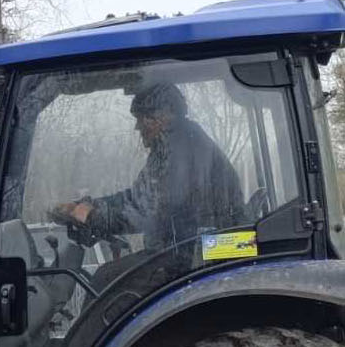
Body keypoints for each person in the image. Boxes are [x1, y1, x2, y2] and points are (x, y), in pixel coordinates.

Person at [52, 81, 244, 254]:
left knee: (108, 276)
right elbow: (138, 197)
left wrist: (94, 216)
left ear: (163, 116)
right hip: (187, 248)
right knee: (112, 274)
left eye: (142, 118)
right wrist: (88, 205)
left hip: (210, 251)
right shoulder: (173, 145)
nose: (137, 127)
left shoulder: (184, 150)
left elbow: (148, 212)